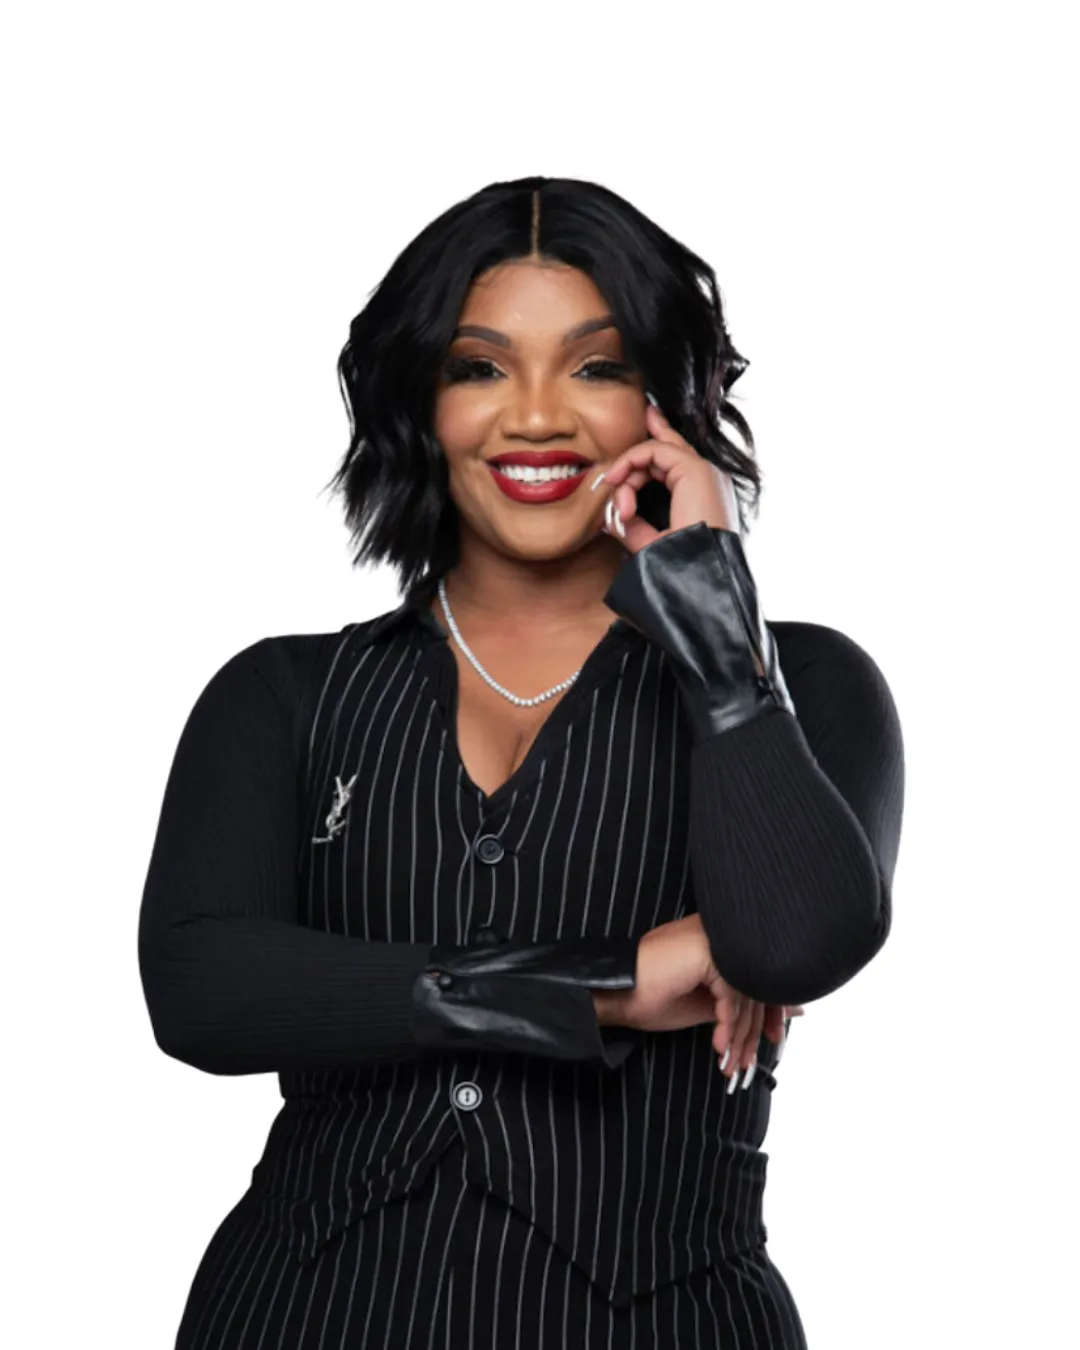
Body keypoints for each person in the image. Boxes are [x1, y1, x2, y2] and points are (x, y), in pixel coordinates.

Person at [138, 175, 905, 1349]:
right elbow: (200, 988)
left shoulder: (796, 688)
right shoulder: (282, 694)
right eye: (480, 366)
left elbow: (796, 938)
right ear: (420, 400)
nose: (537, 416)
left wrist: (712, 613)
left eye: (596, 368)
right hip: (296, 1313)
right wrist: (600, 984)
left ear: (668, 404)